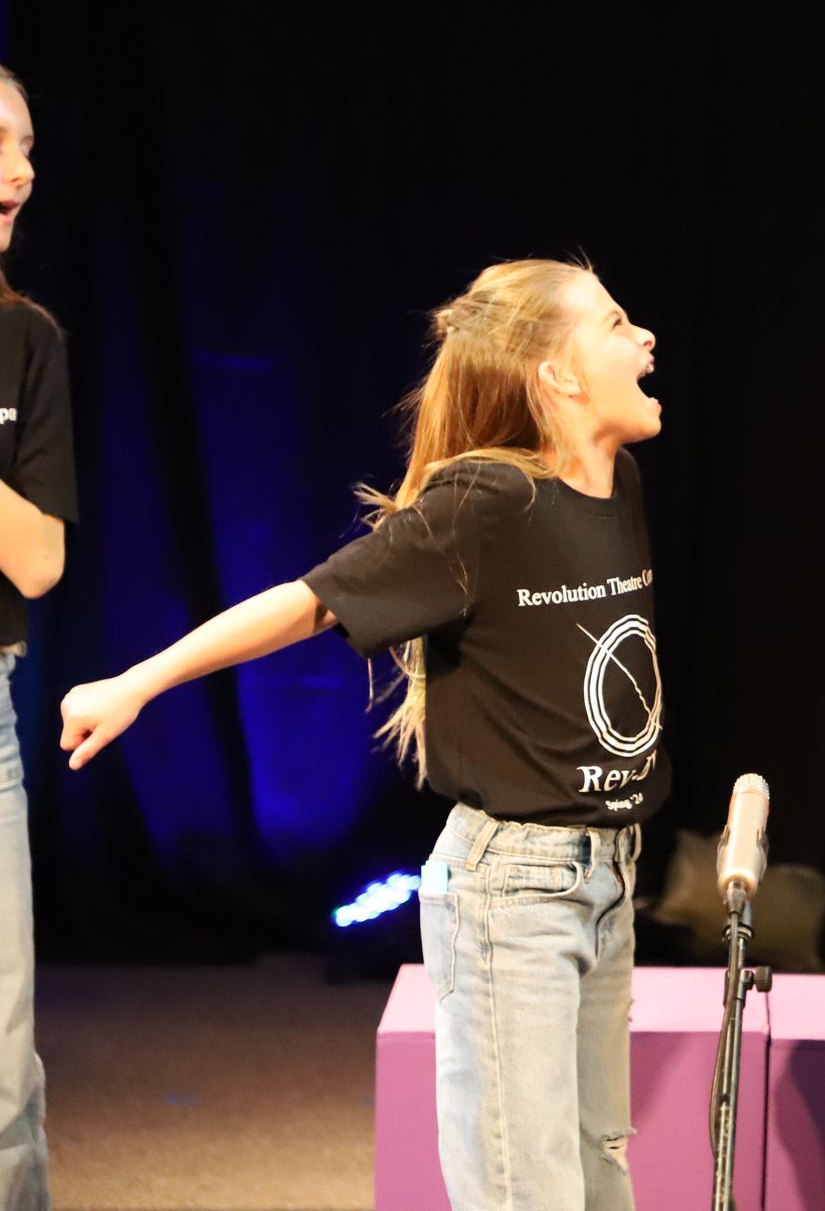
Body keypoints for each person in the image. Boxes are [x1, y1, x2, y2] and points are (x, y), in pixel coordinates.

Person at [60, 259, 670, 1211]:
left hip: (607, 877)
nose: (646, 340)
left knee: (599, 1170)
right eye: (617, 324)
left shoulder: (617, 485)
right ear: (556, 375)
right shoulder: (483, 504)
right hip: (517, 890)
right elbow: (308, 603)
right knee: (529, 1188)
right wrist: (139, 682)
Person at [0, 62, 73, 1211]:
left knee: (1, 1066)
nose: (18, 171)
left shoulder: (28, 339)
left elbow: (37, 559)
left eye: (21, 146)